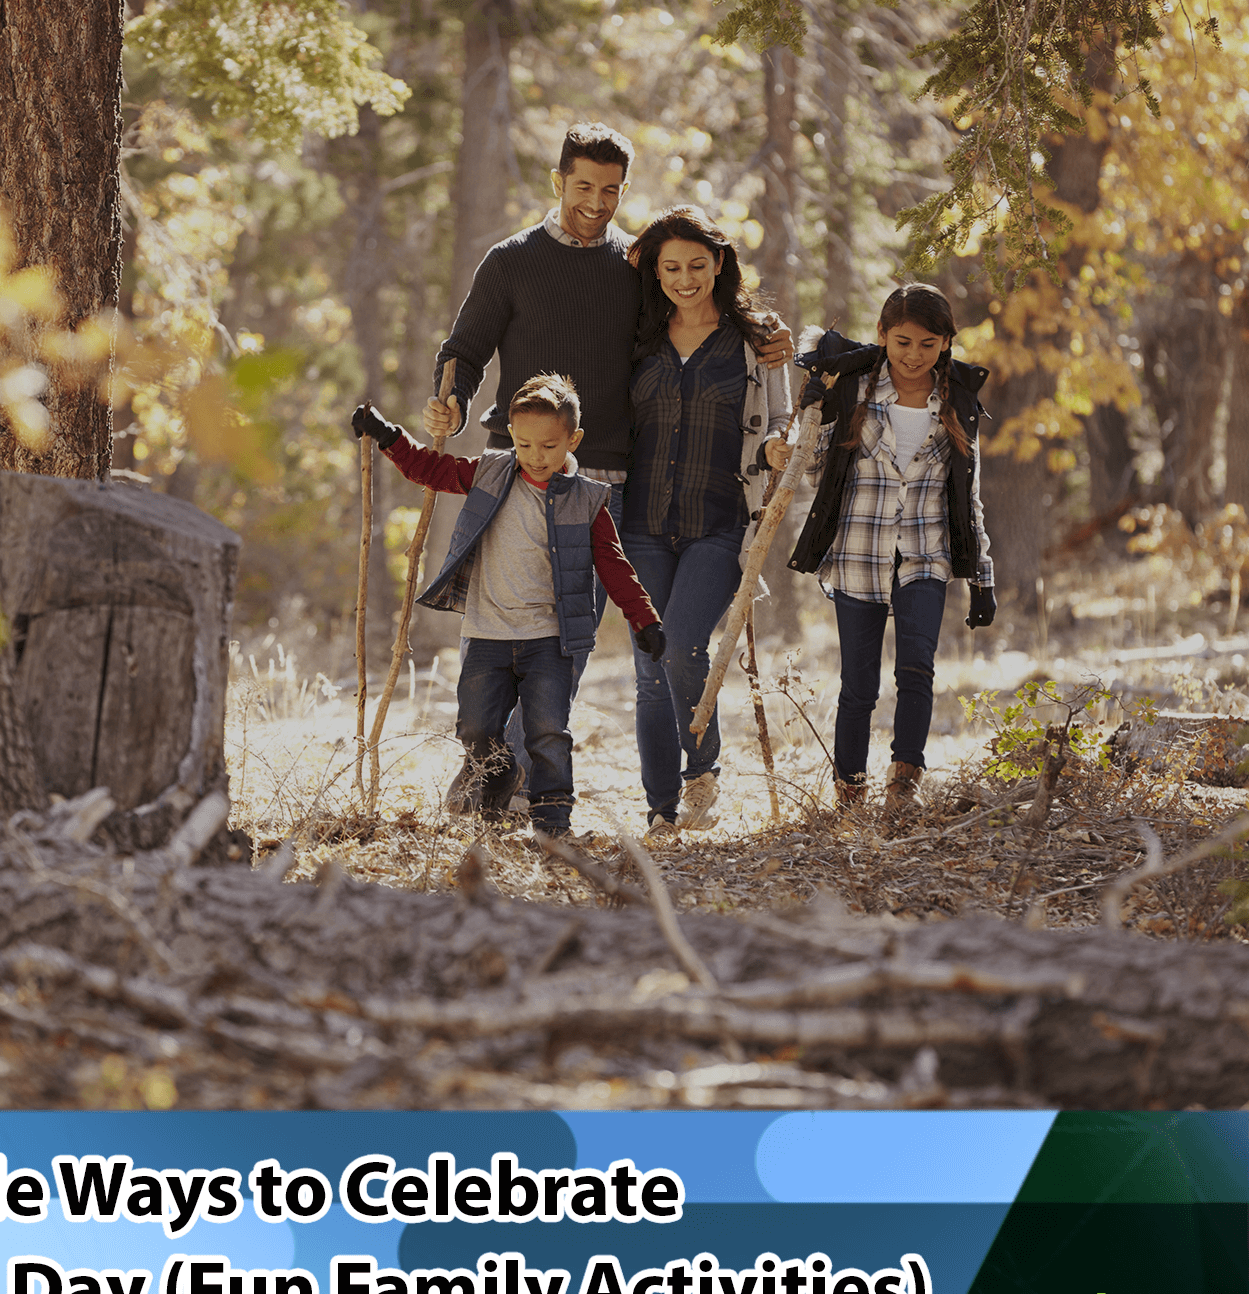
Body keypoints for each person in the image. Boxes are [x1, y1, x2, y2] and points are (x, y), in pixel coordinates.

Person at [423, 122, 793, 809]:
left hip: (606, 485)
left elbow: (699, 314)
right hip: (518, 474)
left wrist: (768, 334)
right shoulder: (509, 260)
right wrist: (448, 397)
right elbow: (465, 349)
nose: (596, 201)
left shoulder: (633, 266)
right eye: (584, 186)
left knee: (571, 639)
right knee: (509, 629)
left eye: (611, 190)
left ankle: (506, 774)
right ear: (558, 181)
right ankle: (489, 763)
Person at [352, 374, 664, 837]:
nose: (536, 457)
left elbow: (613, 564)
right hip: (486, 634)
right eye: (524, 444)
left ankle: (553, 820)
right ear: (511, 438)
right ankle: (498, 775)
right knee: (474, 727)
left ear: (573, 440)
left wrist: (643, 617)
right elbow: (430, 469)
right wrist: (387, 435)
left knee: (547, 732)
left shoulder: (587, 499)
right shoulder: (490, 473)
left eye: (549, 446)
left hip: (549, 640)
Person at [787, 282, 996, 814]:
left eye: (928, 344)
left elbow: (967, 493)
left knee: (916, 670)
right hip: (858, 554)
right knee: (858, 684)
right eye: (902, 342)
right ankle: (849, 793)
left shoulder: (958, 402)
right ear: (882, 336)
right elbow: (813, 474)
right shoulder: (853, 391)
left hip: (926, 555)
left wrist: (982, 576)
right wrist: (815, 418)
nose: (913, 355)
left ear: (946, 342)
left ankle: (904, 784)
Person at [621, 206, 793, 837]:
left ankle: (701, 772)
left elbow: (782, 417)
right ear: (656, 272)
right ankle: (660, 808)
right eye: (672, 267)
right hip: (640, 523)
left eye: (697, 264)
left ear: (719, 263)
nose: (685, 278)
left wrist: (779, 445)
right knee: (649, 666)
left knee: (683, 644)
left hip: (721, 523)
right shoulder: (637, 332)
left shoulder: (756, 340)